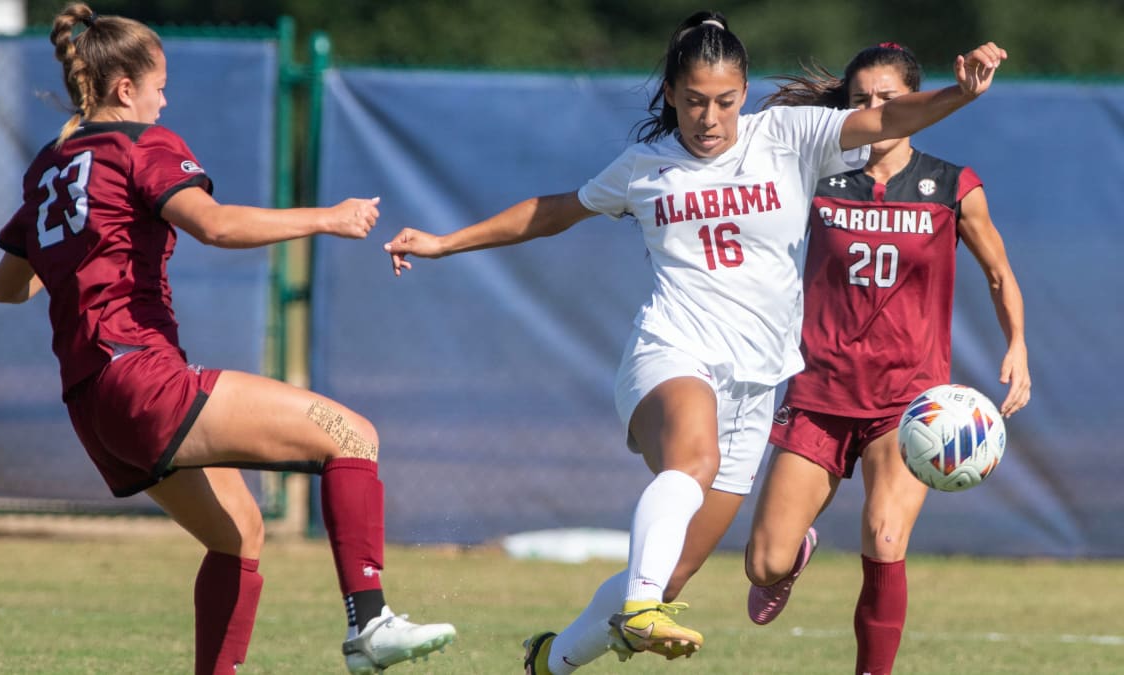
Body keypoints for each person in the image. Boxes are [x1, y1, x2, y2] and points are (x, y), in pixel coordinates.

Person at [382, 10, 1006, 673]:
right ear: (672, 97)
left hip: (756, 383)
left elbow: (887, 121)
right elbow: (553, 210)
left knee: (672, 570)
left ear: (743, 95)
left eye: (725, 101)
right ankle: (644, 606)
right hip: (671, 351)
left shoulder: (788, 135)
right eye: (693, 102)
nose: (709, 118)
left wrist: (958, 94)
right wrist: (446, 241)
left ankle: (552, 661)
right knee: (692, 461)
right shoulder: (646, 166)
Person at [0, 5, 455, 674]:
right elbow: (217, 225)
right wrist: (330, 217)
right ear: (126, 88)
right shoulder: (140, 144)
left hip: (91, 406)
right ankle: (371, 622)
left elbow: (5, 286)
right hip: (140, 378)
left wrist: (75, 262)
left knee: (239, 532)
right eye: (159, 84)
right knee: (353, 436)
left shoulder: (50, 166)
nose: (164, 98)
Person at [739, 42, 1030, 675]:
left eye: (888, 99)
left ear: (915, 102)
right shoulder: (815, 176)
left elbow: (1000, 273)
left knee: (886, 537)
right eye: (861, 100)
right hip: (818, 394)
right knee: (763, 563)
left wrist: (1018, 347)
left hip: (907, 404)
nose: (874, 109)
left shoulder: (953, 185)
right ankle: (794, 555)